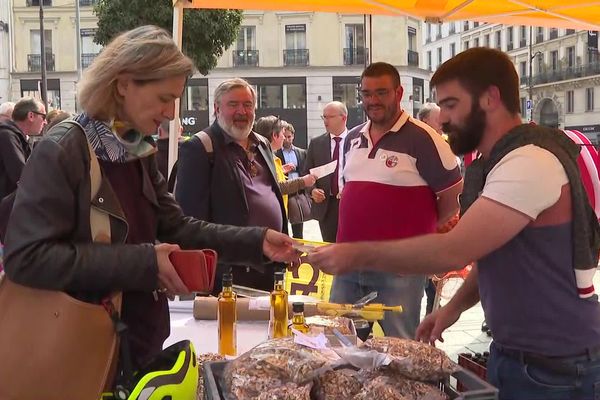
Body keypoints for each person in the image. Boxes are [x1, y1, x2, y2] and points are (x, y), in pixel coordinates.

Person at [3, 25, 297, 381]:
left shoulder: (135, 146)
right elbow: (27, 257)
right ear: (124, 83)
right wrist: (146, 263)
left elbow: (176, 226)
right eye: (164, 98)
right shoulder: (63, 149)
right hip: (82, 353)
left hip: (135, 346)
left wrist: (256, 241)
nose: (172, 113)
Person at [306, 48, 600, 400]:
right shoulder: (503, 161)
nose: (442, 119)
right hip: (521, 357)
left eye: (450, 104)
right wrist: (453, 308)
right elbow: (490, 253)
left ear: (490, 98)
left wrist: (354, 254)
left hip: (555, 367)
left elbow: (453, 250)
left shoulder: (528, 163)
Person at [328, 62, 462, 338]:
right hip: (349, 264)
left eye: (381, 93)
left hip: (400, 271)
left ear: (399, 93)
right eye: (366, 94)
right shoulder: (352, 138)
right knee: (339, 346)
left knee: (400, 349)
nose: (372, 101)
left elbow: (453, 198)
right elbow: (347, 191)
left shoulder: (426, 140)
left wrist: (423, 232)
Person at [175, 78, 288, 292]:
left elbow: (272, 194)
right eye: (233, 105)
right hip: (227, 275)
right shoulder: (199, 148)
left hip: (269, 268)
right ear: (217, 109)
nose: (241, 111)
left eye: (247, 105)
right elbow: (189, 220)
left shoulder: (262, 144)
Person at [303, 101, 351, 243]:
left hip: (351, 203)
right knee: (330, 247)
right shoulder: (317, 143)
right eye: (323, 117)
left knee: (350, 247)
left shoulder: (356, 141)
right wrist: (312, 191)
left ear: (343, 118)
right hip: (327, 205)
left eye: (329, 117)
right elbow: (306, 173)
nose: (325, 121)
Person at [255, 116, 316, 216]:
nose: (284, 138)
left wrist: (280, 170)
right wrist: (303, 181)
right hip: (271, 214)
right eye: (283, 134)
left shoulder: (268, 156)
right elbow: (278, 187)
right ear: (275, 135)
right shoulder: (262, 158)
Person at [0, 97, 46, 200]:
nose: (45, 122)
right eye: (43, 117)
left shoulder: (16, 136)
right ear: (31, 116)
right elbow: (22, 175)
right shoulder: (7, 135)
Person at [276, 122, 309, 238]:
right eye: (285, 137)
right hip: (283, 194)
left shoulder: (301, 152)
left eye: (289, 137)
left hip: (297, 194)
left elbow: (305, 171)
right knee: (282, 229)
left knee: (298, 230)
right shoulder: (276, 153)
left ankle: (298, 253)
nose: (287, 140)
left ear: (293, 136)